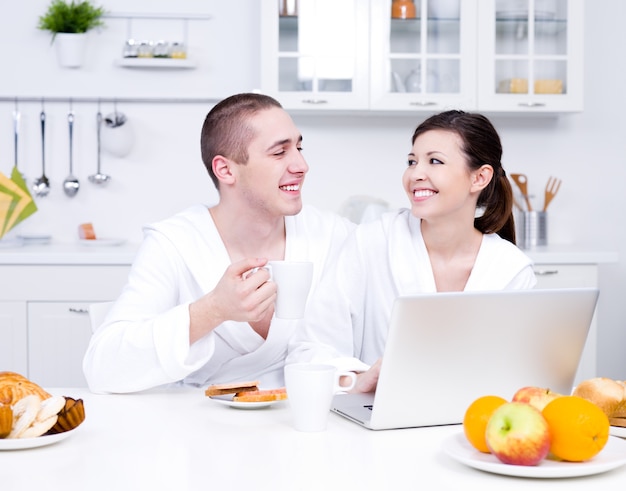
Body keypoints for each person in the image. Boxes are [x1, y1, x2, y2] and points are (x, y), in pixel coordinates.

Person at [83, 93, 354, 393]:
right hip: (197, 425)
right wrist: (213, 309)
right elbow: (102, 368)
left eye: (299, 148)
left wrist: (352, 377)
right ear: (226, 170)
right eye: (280, 153)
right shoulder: (174, 244)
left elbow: (330, 350)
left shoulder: (330, 235)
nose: (302, 165)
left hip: (301, 419)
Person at [287, 109, 537, 393]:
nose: (416, 174)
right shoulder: (372, 242)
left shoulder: (511, 269)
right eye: (411, 161)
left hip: (475, 425)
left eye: (435, 161)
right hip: (377, 423)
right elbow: (310, 348)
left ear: (479, 178)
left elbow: (520, 373)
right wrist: (357, 379)